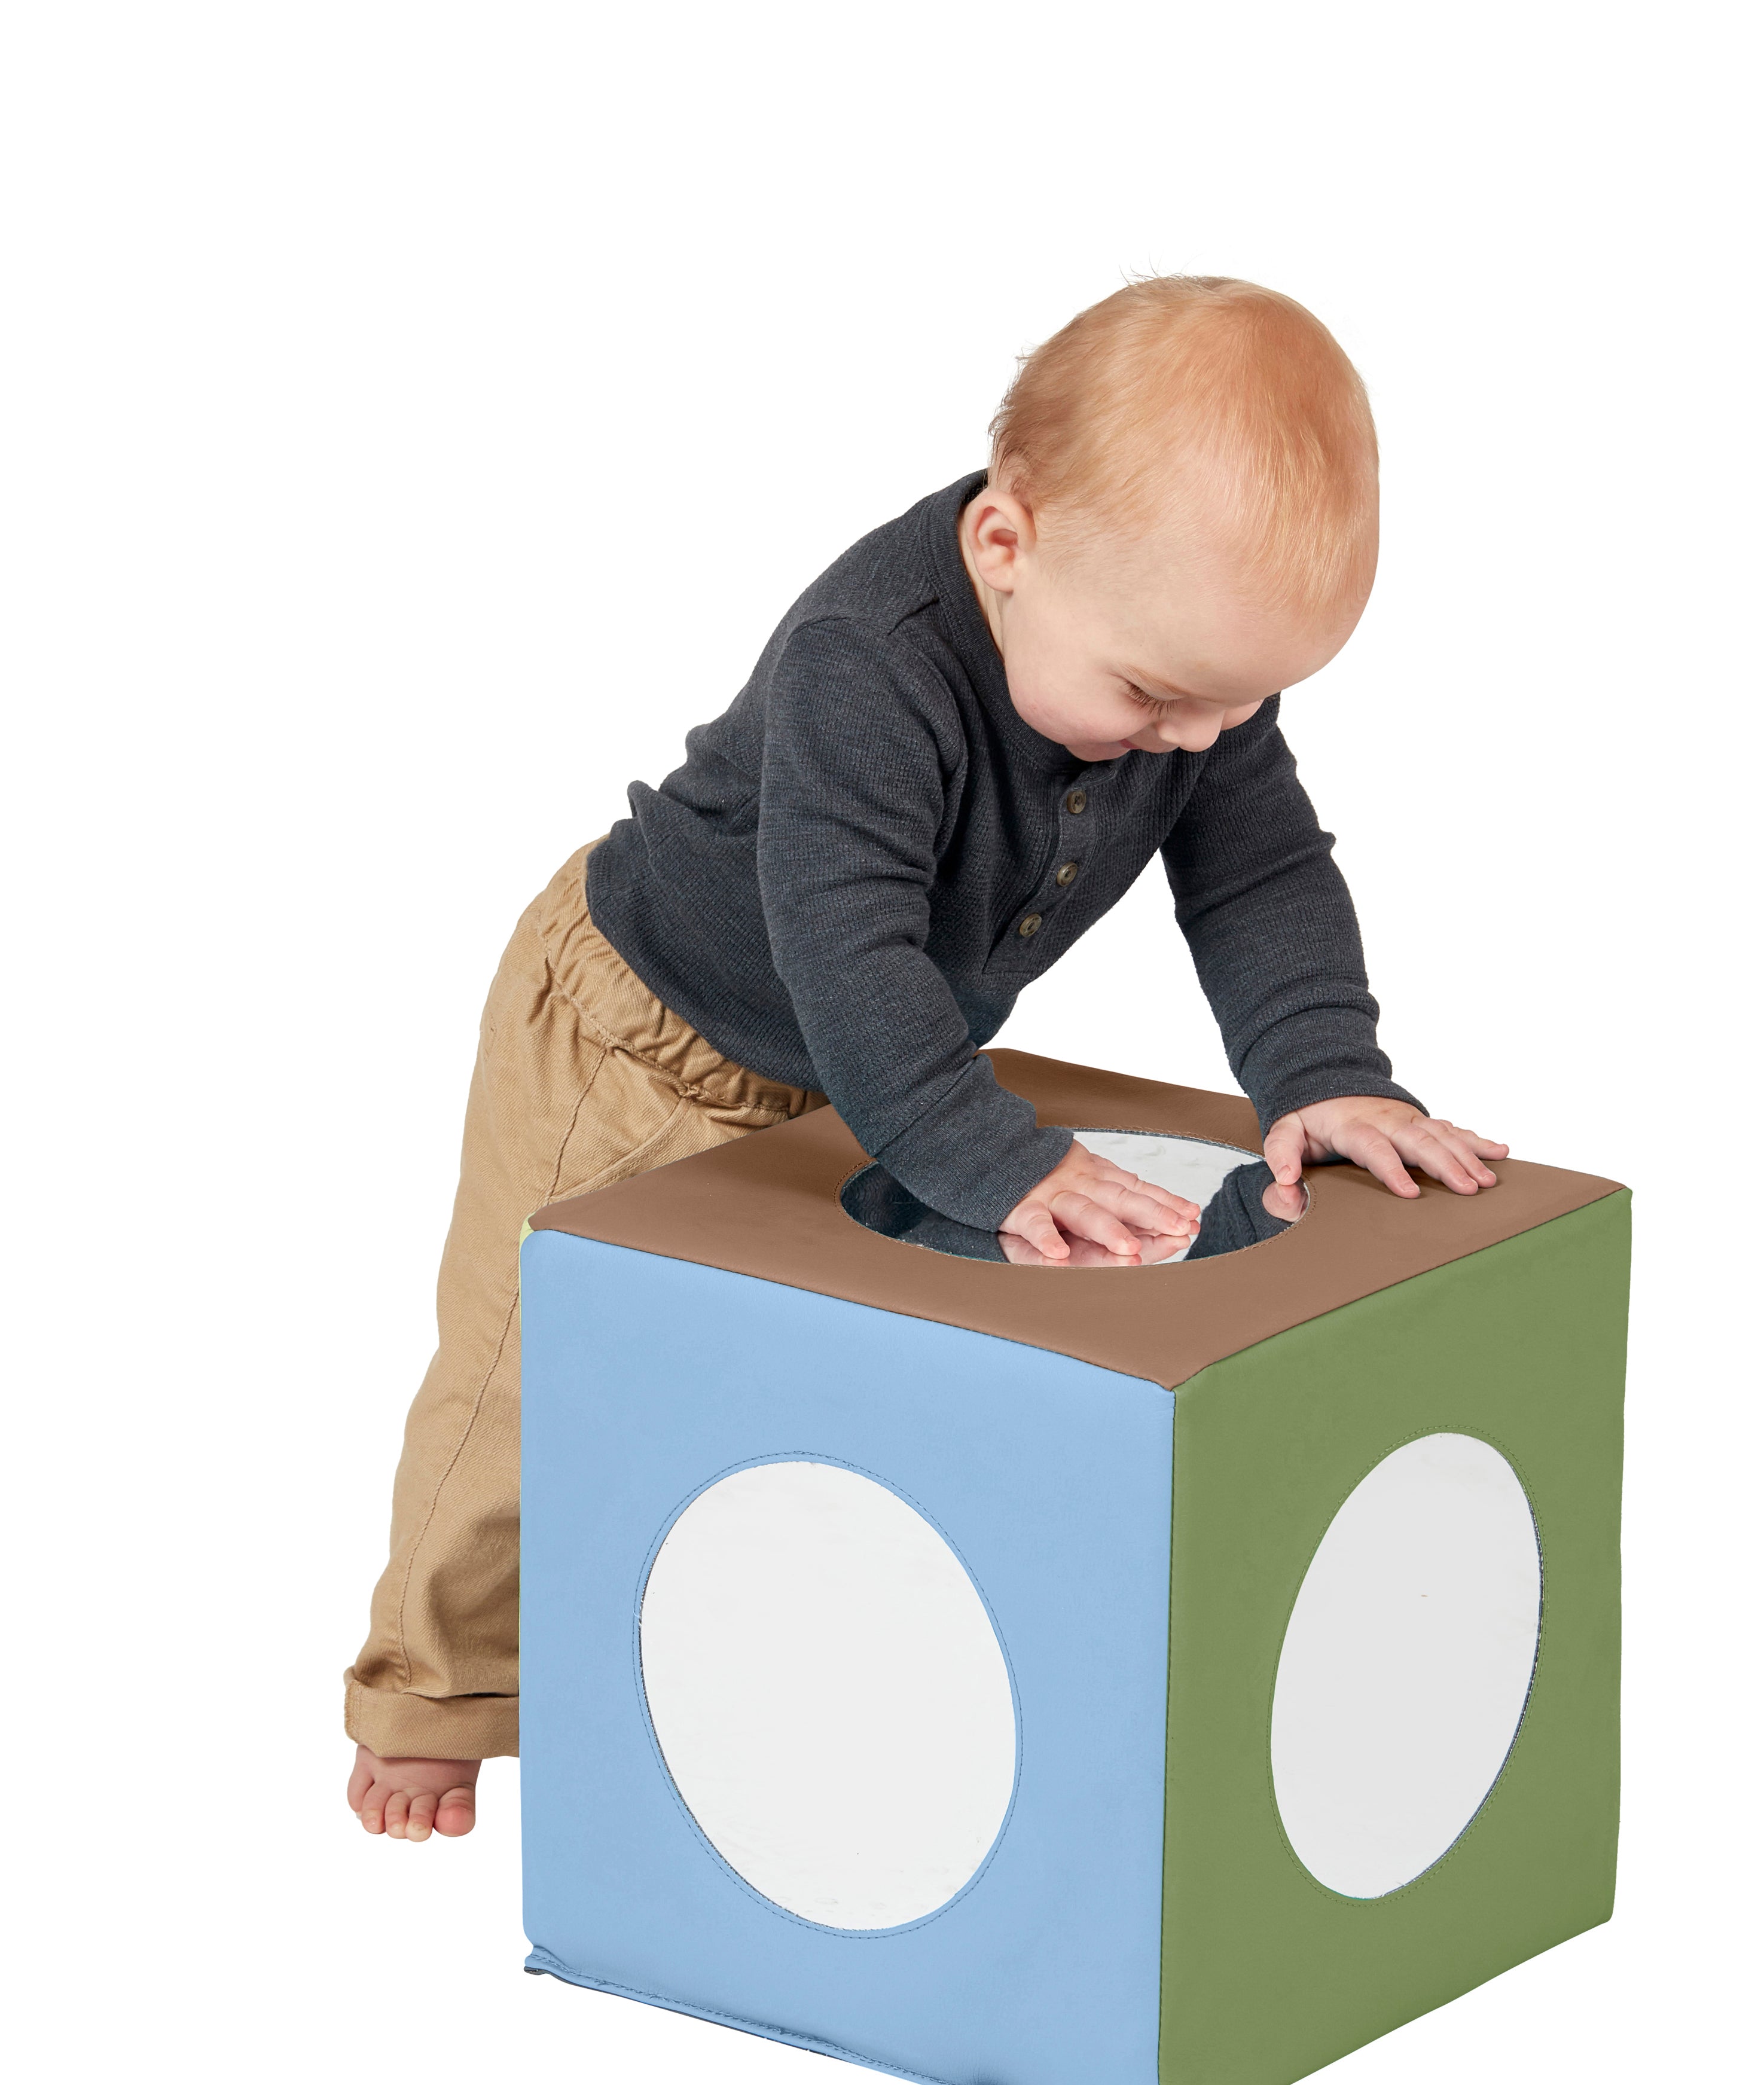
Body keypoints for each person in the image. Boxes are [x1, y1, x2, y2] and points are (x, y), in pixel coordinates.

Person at [346, 274, 1509, 1841]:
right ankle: (436, 1697)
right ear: (1006, 545)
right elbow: (850, 948)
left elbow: (1261, 872)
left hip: (874, 1071)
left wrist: (1323, 1067)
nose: (1192, 740)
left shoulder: (1178, 677)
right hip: (647, 1048)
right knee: (526, 1380)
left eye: (1240, 706)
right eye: (1154, 697)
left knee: (804, 1387)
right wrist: (995, 1156)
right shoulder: (871, 664)